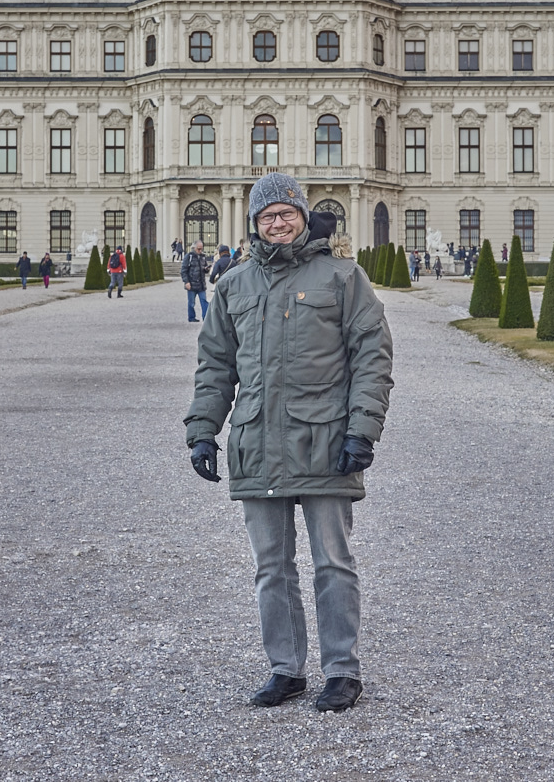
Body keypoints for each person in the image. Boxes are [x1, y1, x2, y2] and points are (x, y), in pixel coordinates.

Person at [184, 172, 393, 714]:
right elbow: (215, 366)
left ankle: (342, 670)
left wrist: (362, 431)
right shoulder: (233, 284)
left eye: (286, 213)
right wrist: (203, 429)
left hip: (326, 439)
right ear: (254, 223)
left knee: (333, 562)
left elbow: (372, 359)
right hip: (257, 440)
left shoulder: (343, 277)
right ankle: (285, 669)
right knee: (271, 567)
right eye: (266, 216)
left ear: (303, 216)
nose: (277, 223)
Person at [183, 239, 209, 321]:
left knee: (204, 301)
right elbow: (183, 270)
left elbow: (204, 268)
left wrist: (206, 269)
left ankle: (206, 317)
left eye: (201, 248)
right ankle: (191, 317)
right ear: (194, 248)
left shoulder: (203, 256)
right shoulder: (189, 256)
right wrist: (186, 282)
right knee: (191, 303)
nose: (200, 250)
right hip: (191, 283)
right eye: (199, 249)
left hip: (201, 284)